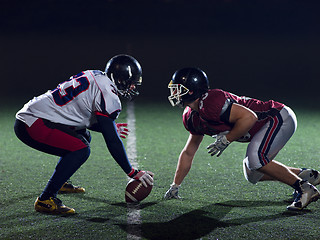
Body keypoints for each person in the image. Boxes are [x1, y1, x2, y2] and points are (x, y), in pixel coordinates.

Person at [164, 67, 320, 211]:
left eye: (178, 89)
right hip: (266, 125)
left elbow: (250, 117)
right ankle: (306, 176)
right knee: (252, 174)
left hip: (277, 117)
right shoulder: (192, 117)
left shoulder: (210, 102)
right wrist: (175, 185)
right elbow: (188, 152)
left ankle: (305, 189)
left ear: (192, 90)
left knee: (255, 159)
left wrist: (227, 140)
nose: (174, 93)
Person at [14, 54, 154, 215]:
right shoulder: (109, 95)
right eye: (130, 83)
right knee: (80, 149)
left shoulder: (97, 75)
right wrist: (132, 172)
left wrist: (109, 126)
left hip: (36, 115)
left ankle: (61, 181)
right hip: (33, 123)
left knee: (84, 137)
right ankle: (46, 199)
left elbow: (80, 116)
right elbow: (112, 141)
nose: (132, 87)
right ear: (120, 79)